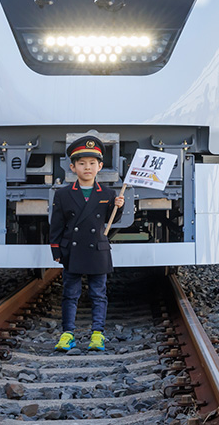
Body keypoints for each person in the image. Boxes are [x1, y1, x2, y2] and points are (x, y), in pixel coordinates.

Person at [50, 135, 125, 352]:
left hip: (97, 250)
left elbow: (112, 220)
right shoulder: (63, 194)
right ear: (73, 167)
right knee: (70, 293)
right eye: (82, 164)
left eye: (92, 163)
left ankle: (98, 334)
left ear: (100, 166)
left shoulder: (109, 194)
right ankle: (67, 334)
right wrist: (56, 249)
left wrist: (118, 207)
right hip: (72, 250)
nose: (87, 168)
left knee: (98, 294)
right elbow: (56, 224)